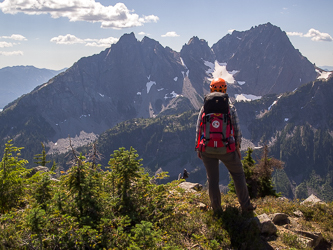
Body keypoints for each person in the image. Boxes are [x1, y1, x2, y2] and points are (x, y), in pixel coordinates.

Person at [195, 78, 256, 214]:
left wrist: (198, 147)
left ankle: (217, 210)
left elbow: (199, 128)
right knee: (238, 175)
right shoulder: (230, 107)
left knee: (212, 180)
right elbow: (237, 129)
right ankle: (246, 207)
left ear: (211, 89)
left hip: (207, 149)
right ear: (225, 89)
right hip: (227, 148)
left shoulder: (205, 106)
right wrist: (237, 148)